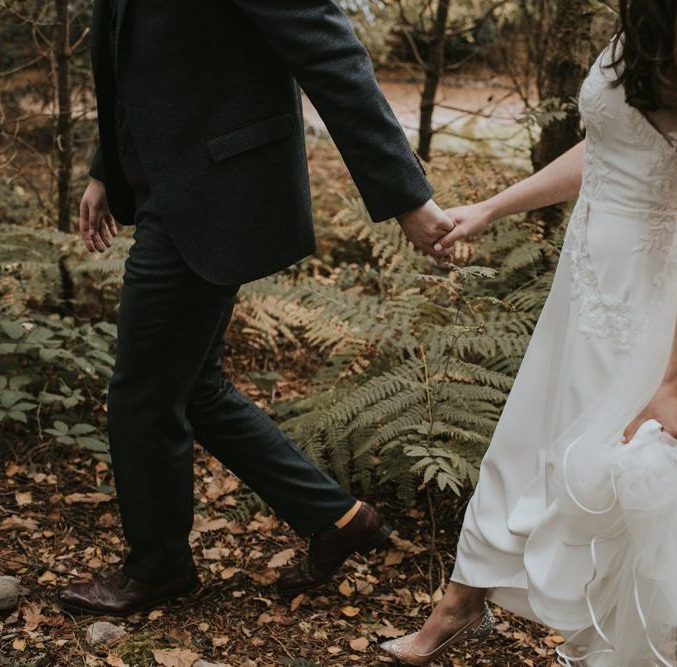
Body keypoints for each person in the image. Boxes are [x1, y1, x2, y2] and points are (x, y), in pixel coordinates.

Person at [58, 0, 455, 616]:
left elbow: (331, 55)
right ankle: (338, 518)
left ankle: (157, 569)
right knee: (194, 386)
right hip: (165, 183)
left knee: (143, 391)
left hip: (217, 189)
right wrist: (107, 168)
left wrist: (407, 198)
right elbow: (130, 56)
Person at [381, 1, 677, 664]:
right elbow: (609, 144)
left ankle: (614, 648)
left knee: (616, 478)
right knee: (525, 441)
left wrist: (671, 381)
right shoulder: (644, 25)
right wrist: (491, 206)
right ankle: (458, 605)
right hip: (582, 290)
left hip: (649, 303)